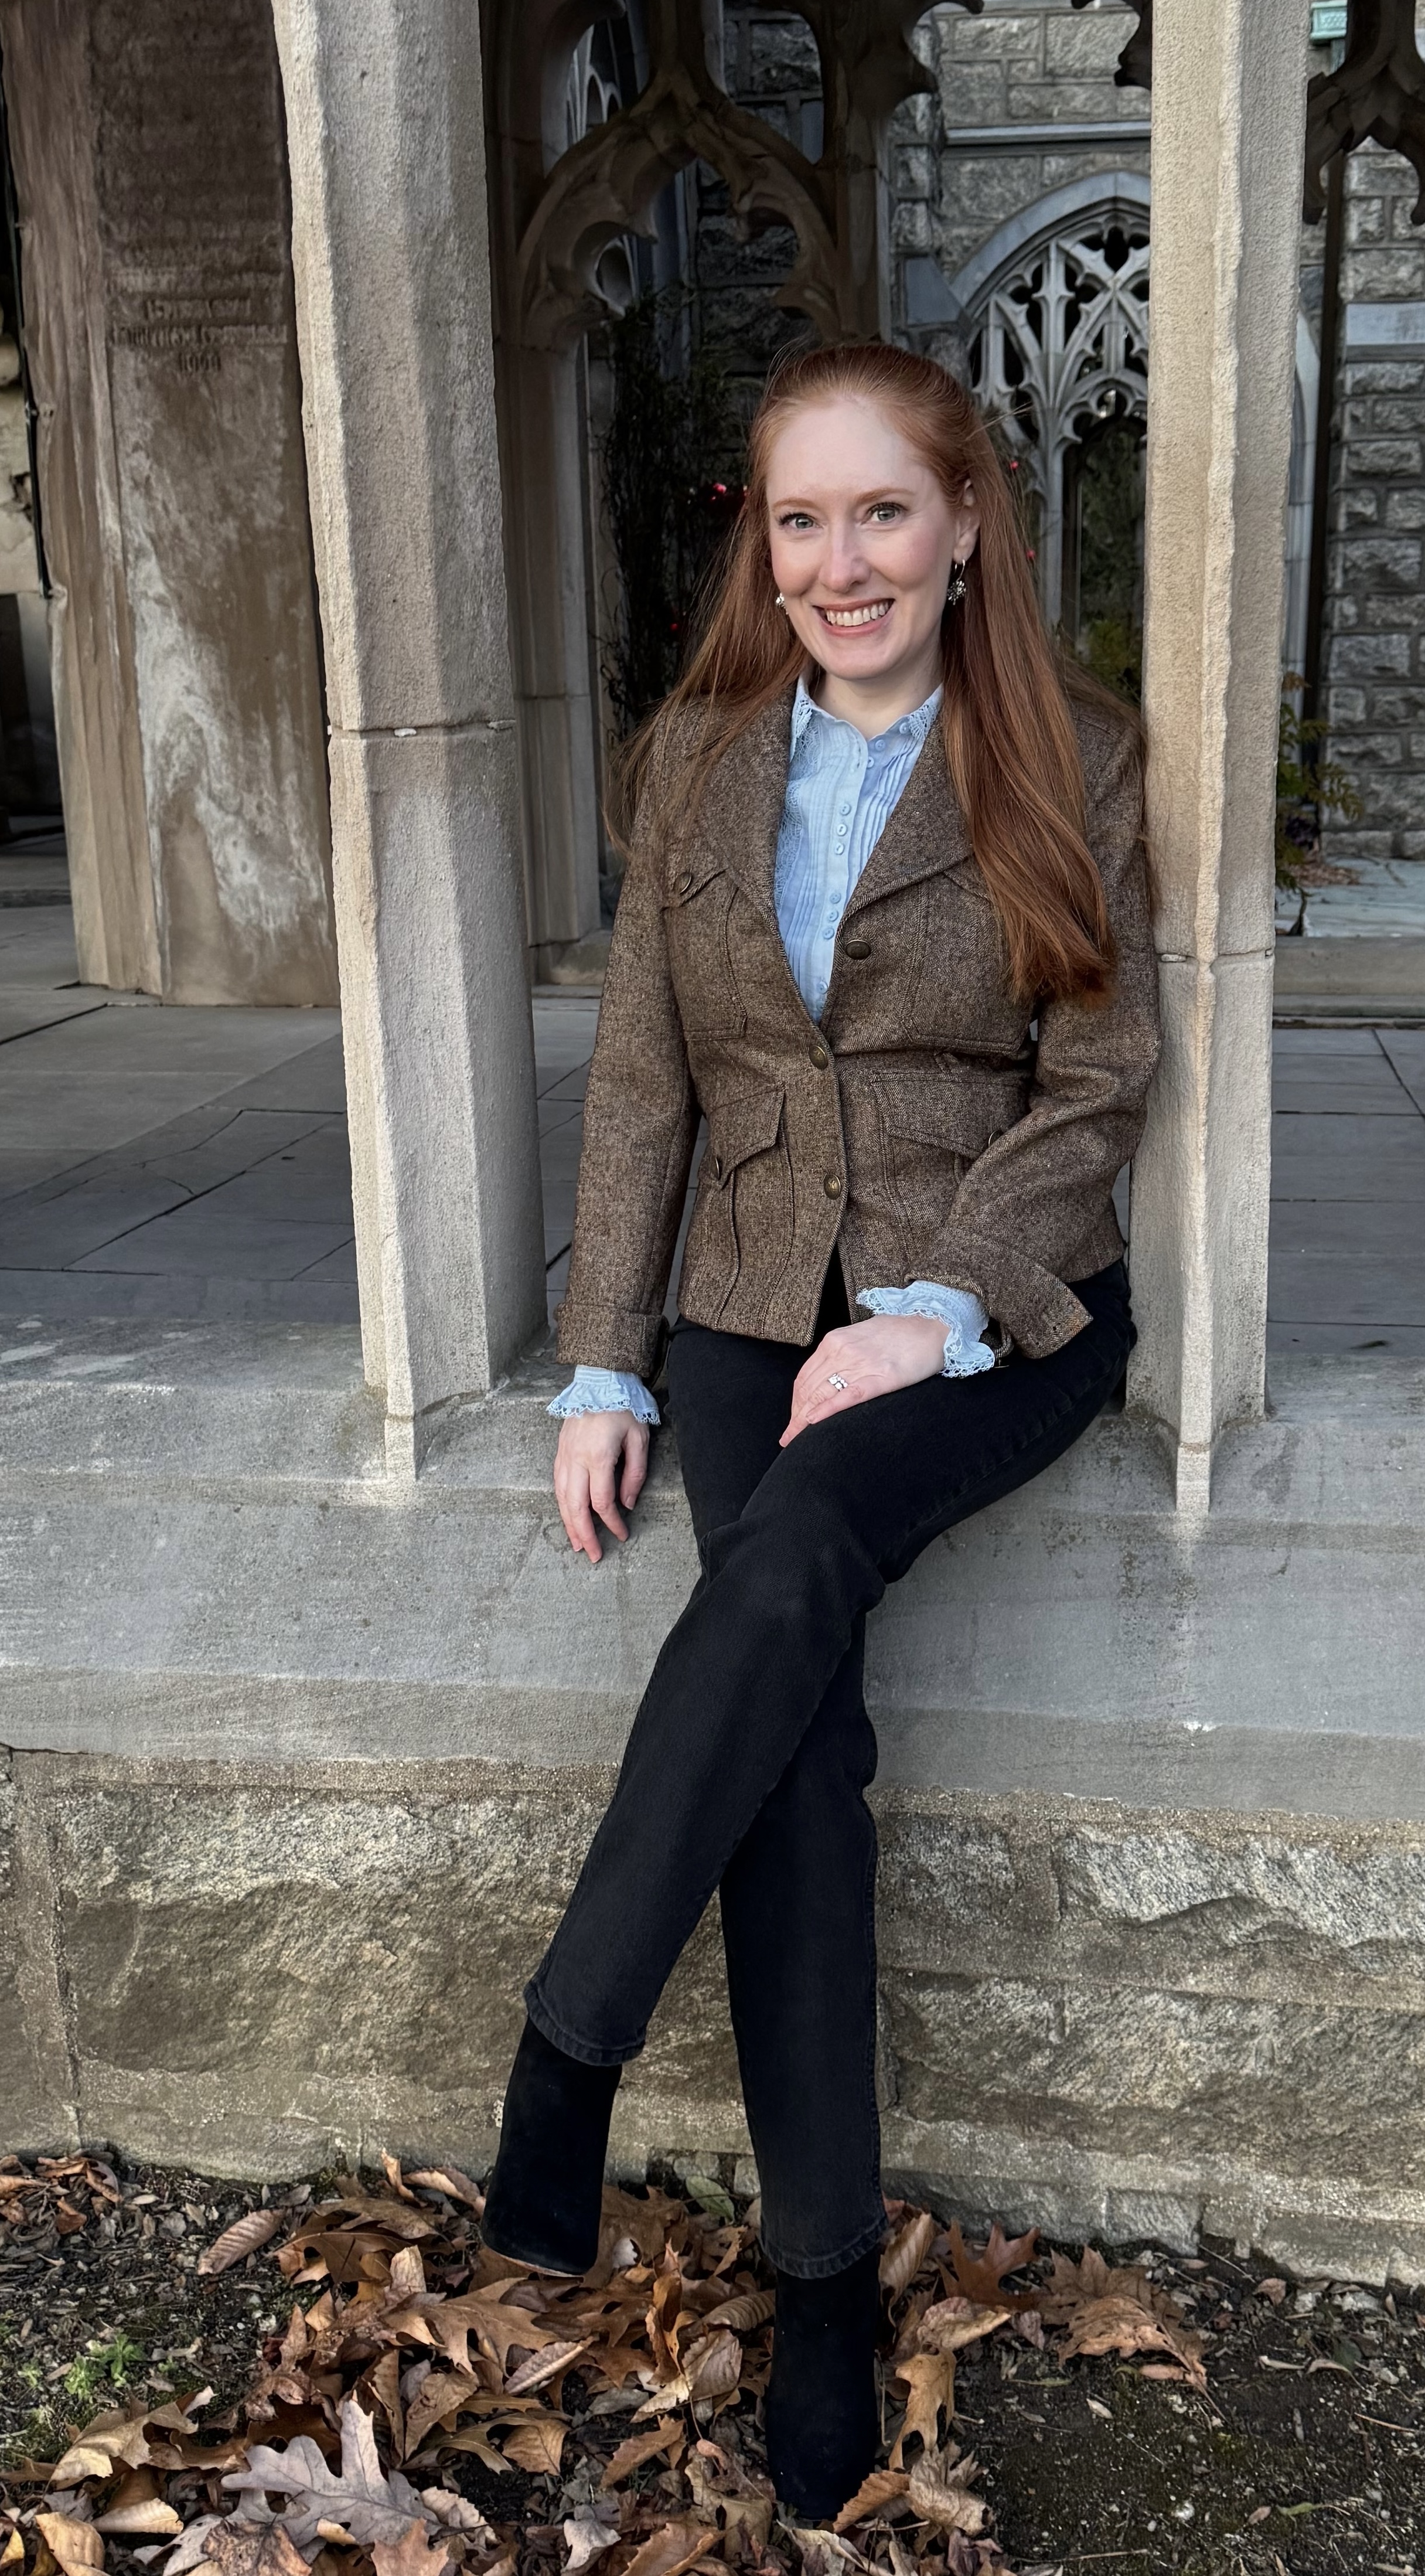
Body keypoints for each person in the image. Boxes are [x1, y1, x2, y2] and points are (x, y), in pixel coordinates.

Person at [480, 340, 1160, 2521]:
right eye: (801, 520)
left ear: (967, 526)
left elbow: (1099, 1090)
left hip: (1003, 1299)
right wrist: (605, 1358)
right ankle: (831, 2286)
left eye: (883, 513)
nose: (841, 561)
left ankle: (566, 2049)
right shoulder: (686, 762)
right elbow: (645, 1088)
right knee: (801, 1751)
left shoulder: (1080, 755)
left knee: (788, 1567)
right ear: (760, 552)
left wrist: (950, 1303)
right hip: (746, 1299)